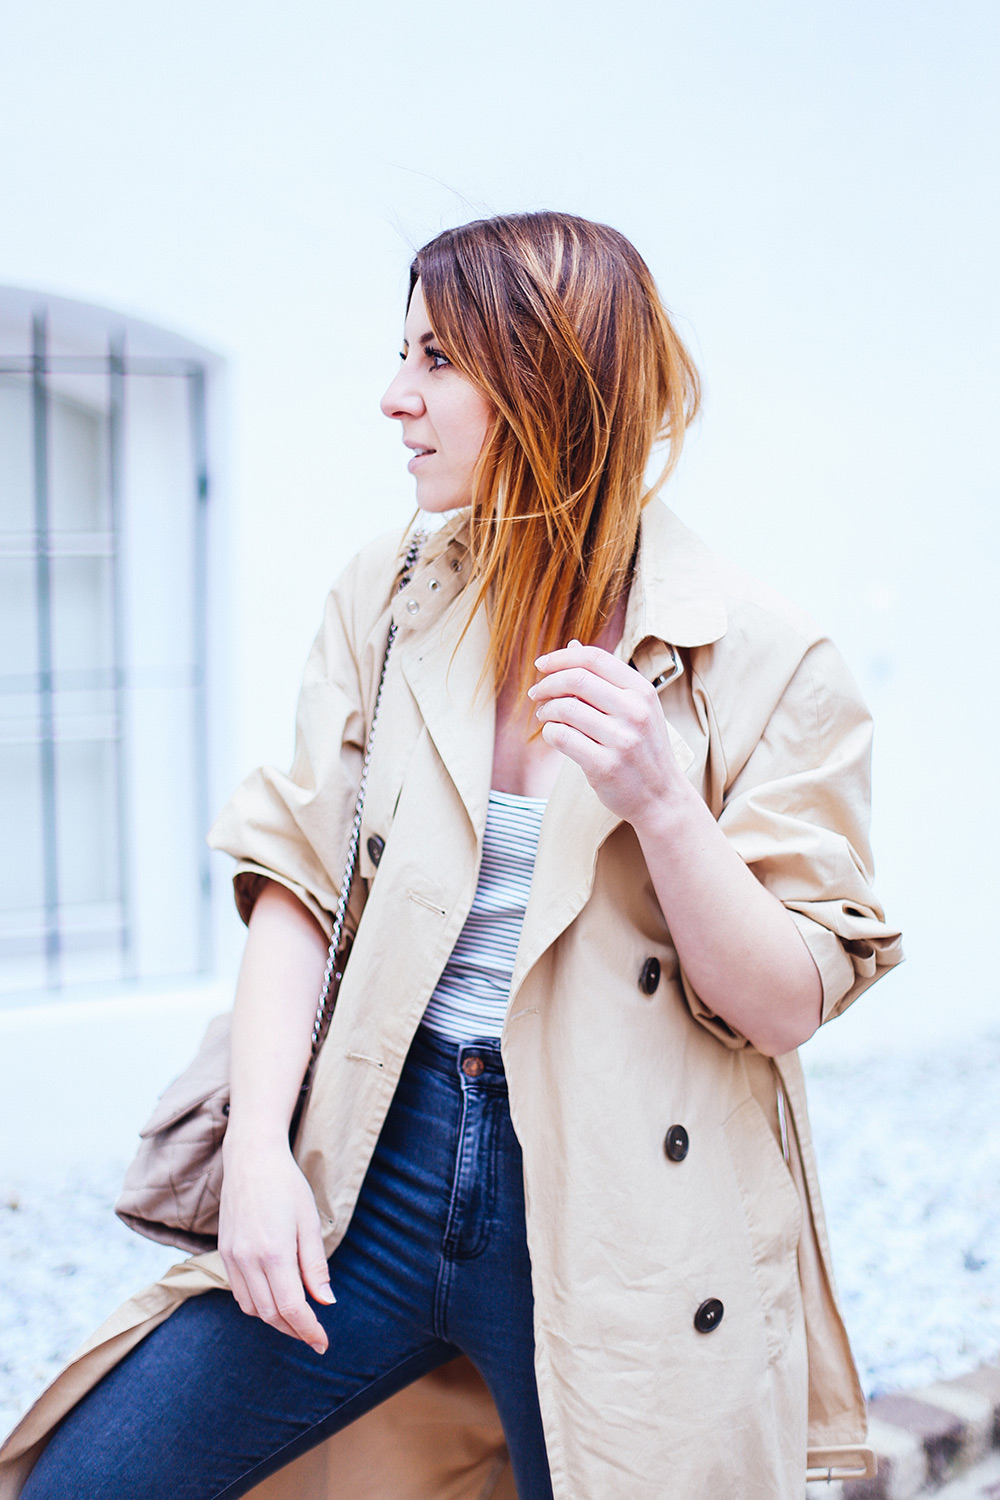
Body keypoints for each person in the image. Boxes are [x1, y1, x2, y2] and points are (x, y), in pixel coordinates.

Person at [4, 211, 902, 1500]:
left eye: (435, 360)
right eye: (402, 352)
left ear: (546, 385)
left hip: (615, 1215)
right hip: (384, 1154)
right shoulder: (388, 594)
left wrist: (665, 803)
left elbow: (785, 1001)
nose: (394, 397)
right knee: (89, 1481)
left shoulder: (764, 658)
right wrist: (260, 1156)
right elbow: (297, 886)